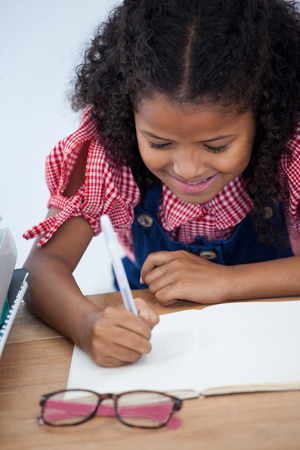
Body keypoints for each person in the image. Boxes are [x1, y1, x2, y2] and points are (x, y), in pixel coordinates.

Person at [23, 0, 300, 367]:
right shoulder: (107, 146)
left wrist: (226, 281)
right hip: (156, 346)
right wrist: (88, 325)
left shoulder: (292, 145)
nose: (187, 169)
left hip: (267, 342)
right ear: (129, 115)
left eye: (216, 146)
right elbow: (42, 268)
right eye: (159, 143)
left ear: (265, 114)